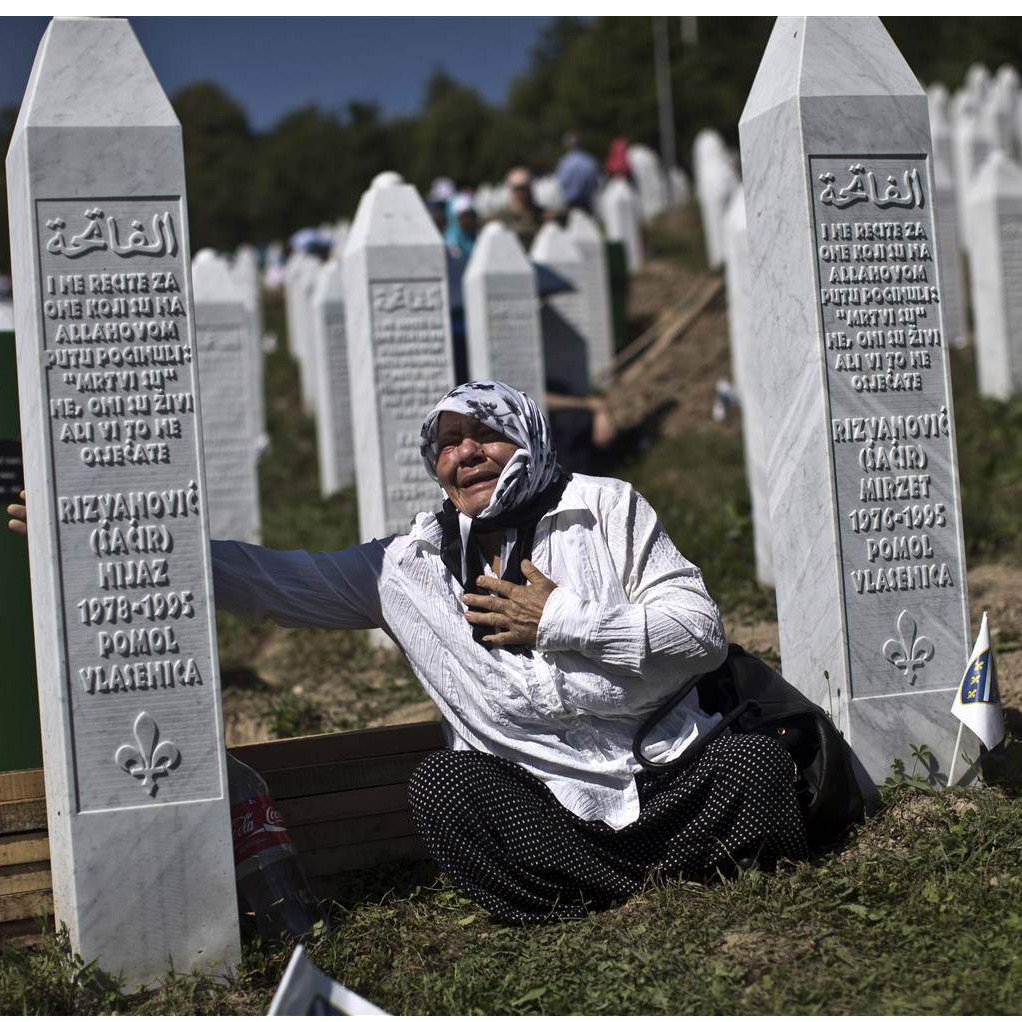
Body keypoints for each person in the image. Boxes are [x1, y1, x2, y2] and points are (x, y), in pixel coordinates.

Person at [7, 380, 807, 923]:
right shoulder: (406, 567)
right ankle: (634, 887)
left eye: (482, 436)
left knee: (758, 771)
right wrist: (117, 544)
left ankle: (636, 879)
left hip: (662, 769)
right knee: (443, 791)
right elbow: (273, 580)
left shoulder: (606, 509)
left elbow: (700, 632)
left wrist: (559, 618)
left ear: (523, 435)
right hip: (543, 800)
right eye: (447, 444)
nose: (463, 455)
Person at [496, 166, 544, 249]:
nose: (523, 192)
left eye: (526, 187)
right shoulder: (502, 215)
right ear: (511, 189)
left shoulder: (540, 213)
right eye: (519, 188)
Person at [555, 132, 602, 214]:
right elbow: (596, 182)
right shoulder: (590, 160)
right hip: (588, 202)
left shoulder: (565, 162)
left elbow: (562, 183)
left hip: (571, 203)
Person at [444, 193, 479, 259]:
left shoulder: (472, 233)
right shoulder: (451, 237)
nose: (468, 220)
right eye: (464, 216)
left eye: (469, 216)